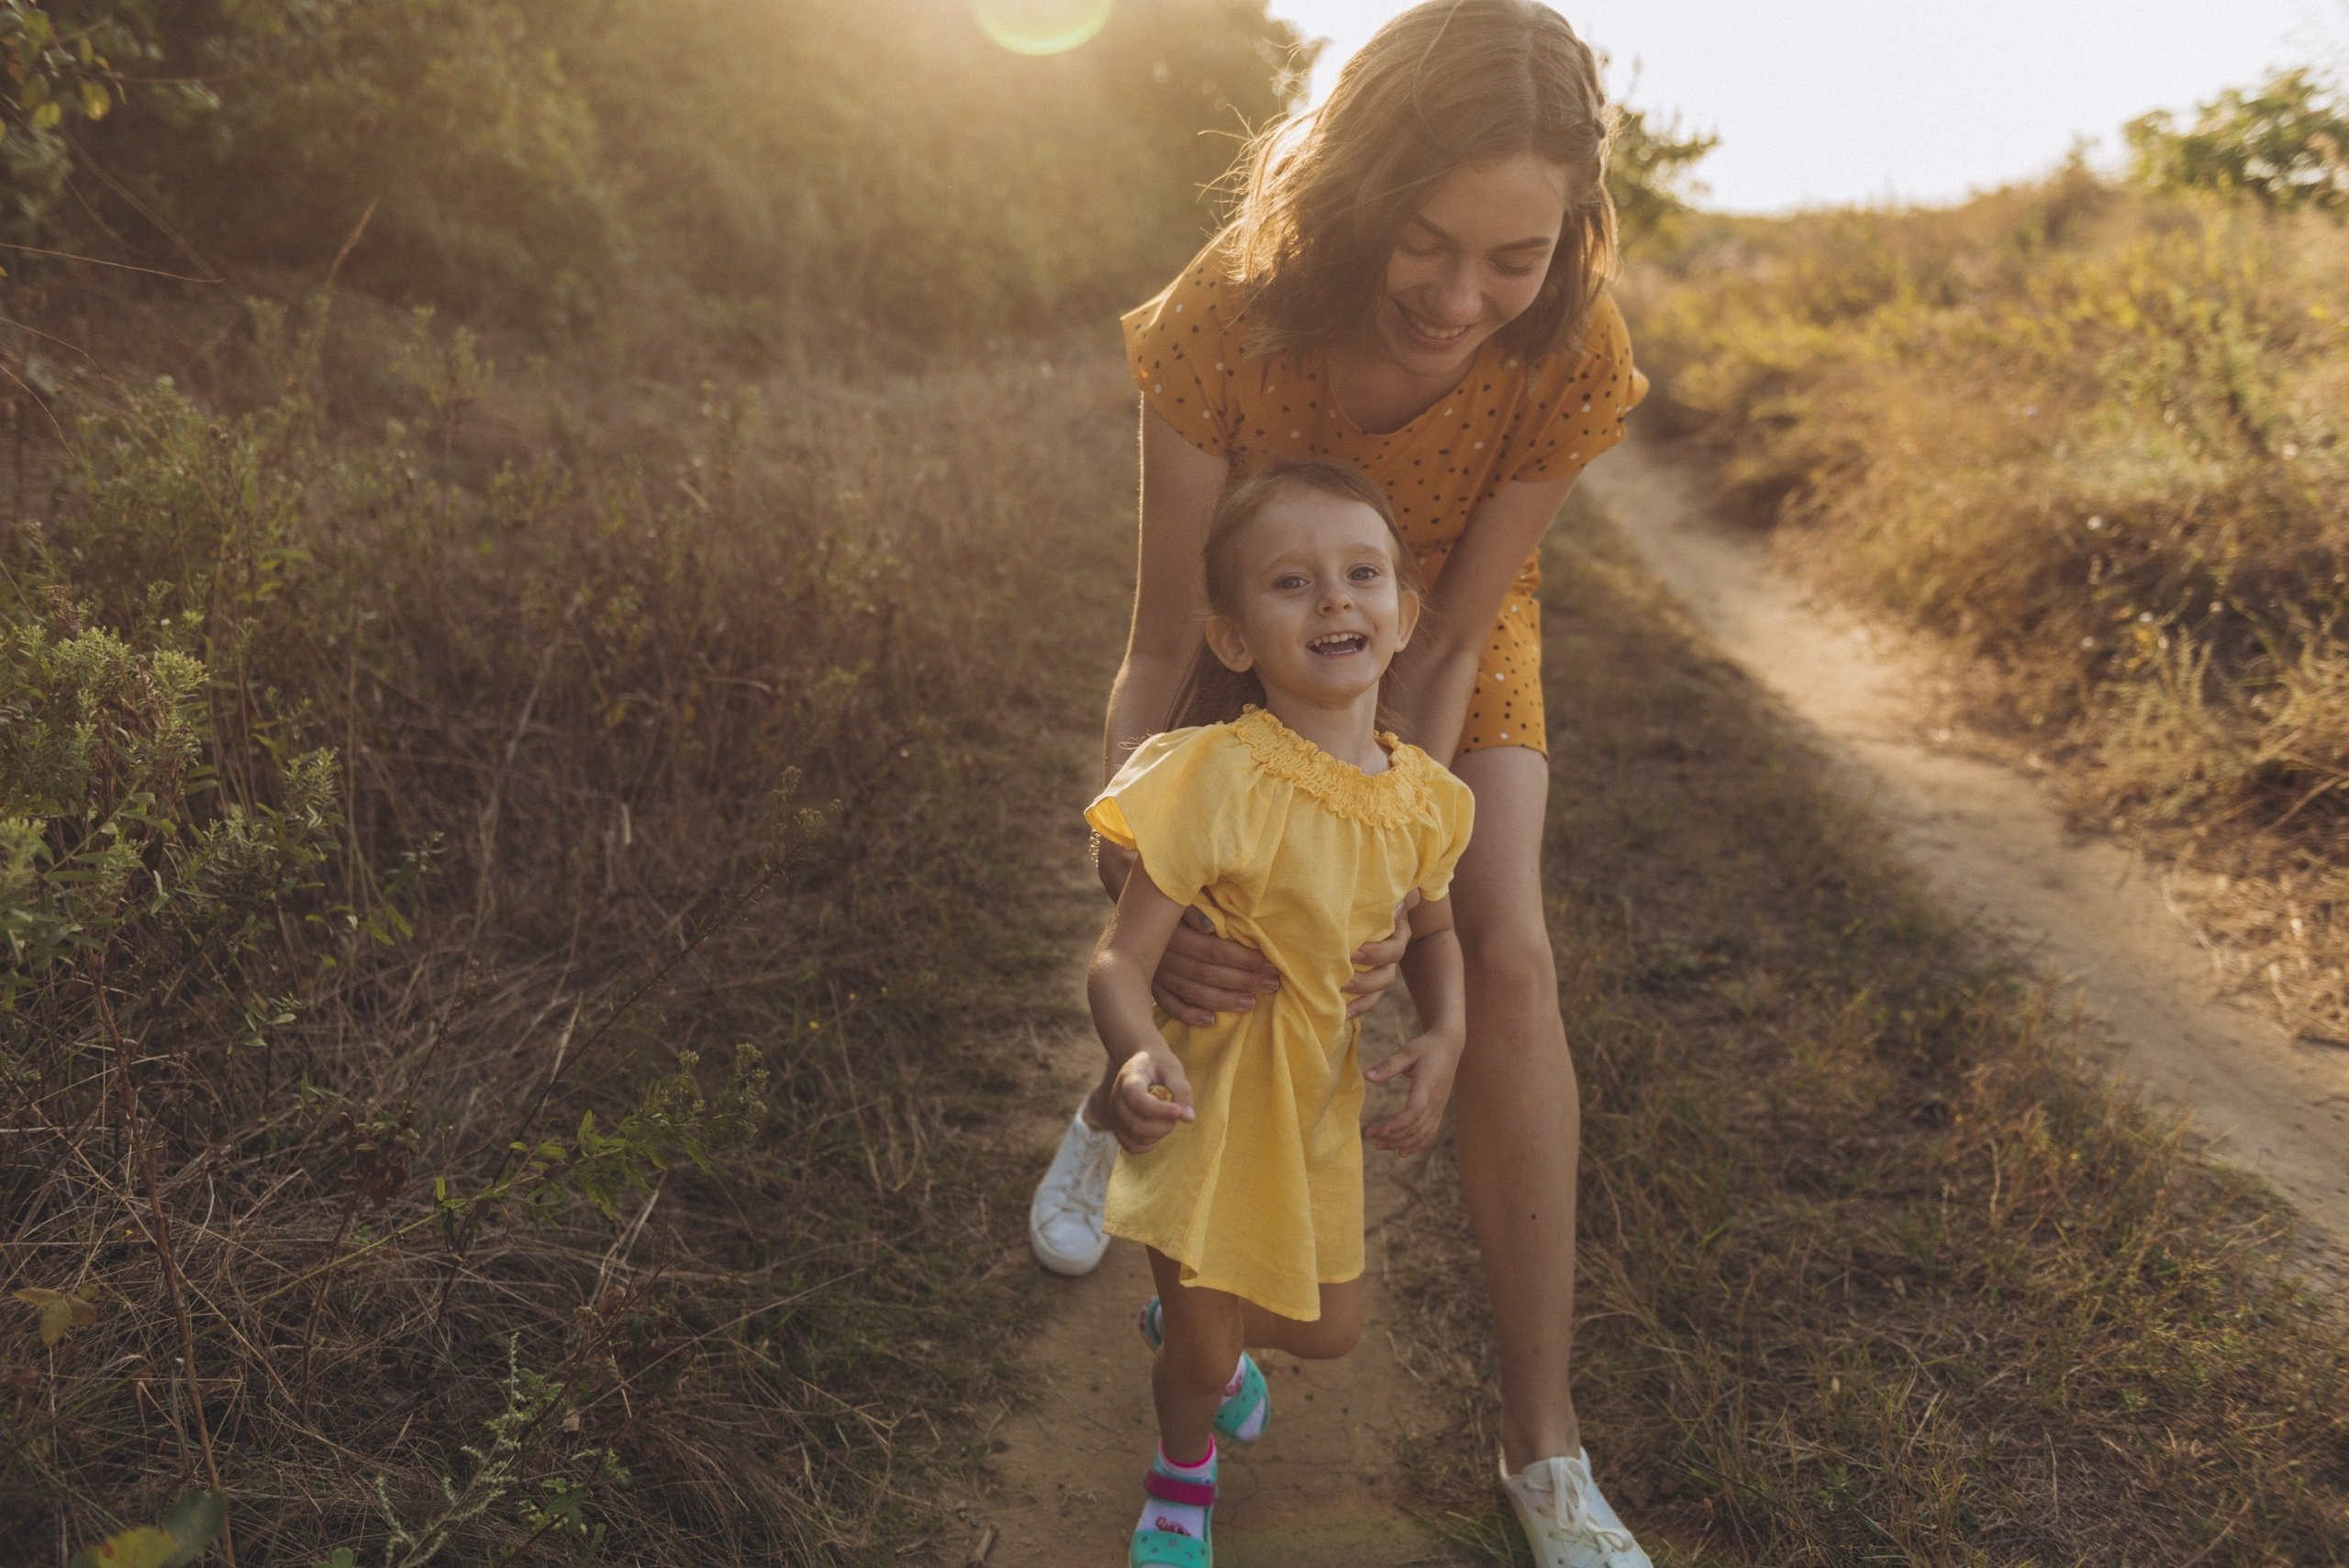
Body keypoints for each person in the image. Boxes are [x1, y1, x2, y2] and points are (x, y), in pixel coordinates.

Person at [1027, 2, 1652, 1562]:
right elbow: (1168, 637)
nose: (1464, 297)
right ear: (1365, 188)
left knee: (1502, 951)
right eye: (1431, 243)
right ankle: (1140, 1073)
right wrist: (1147, 905)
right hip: (1256, 621)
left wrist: (1384, 862)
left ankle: (1543, 1441)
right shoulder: (1224, 316)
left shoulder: (1569, 341)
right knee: (1205, 924)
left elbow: (1444, 636)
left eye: (1515, 255)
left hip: (1434, 632)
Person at [1084, 460, 1473, 1566]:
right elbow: (1121, 960)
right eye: (1293, 582)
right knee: (1205, 1364)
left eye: (1361, 574)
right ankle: (1180, 1473)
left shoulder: (1427, 800)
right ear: (1234, 638)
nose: (1337, 599)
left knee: (1330, 1328)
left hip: (1310, 1109)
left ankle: (1191, 1333)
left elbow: (1433, 934)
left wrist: (1442, 1031)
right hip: (1205, 1102)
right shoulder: (1214, 774)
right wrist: (1135, 1052)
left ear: (1401, 616)